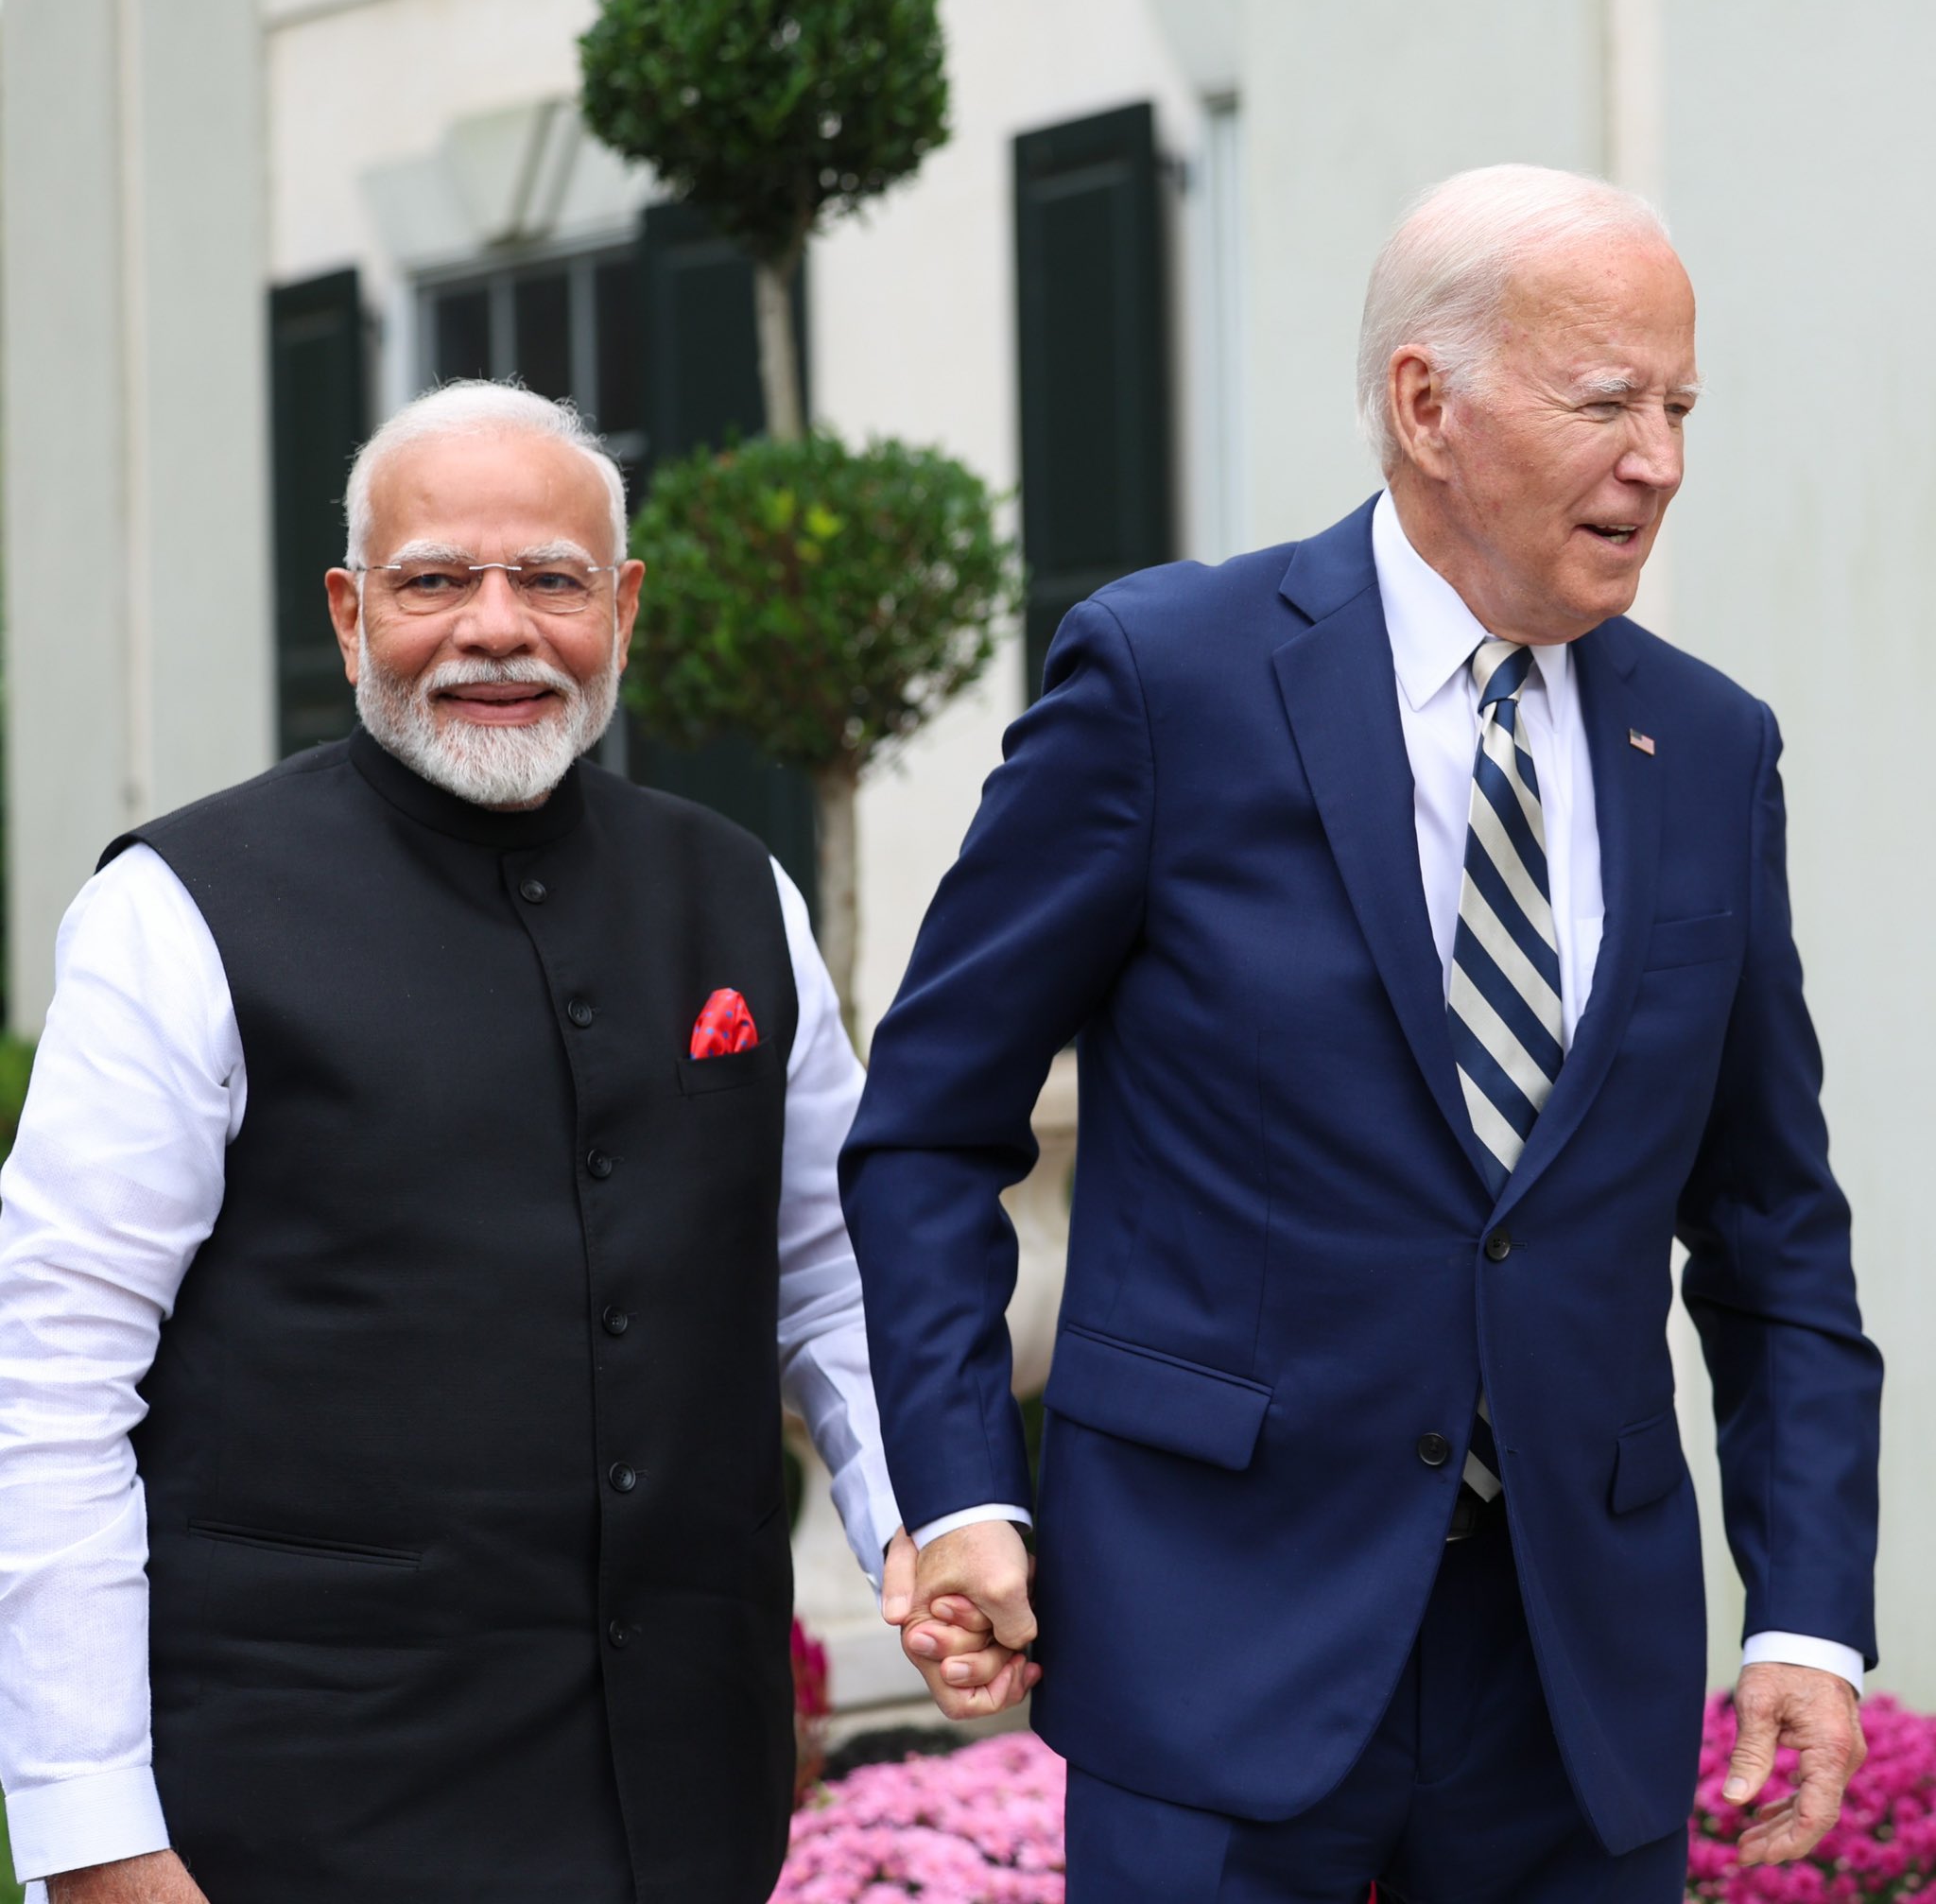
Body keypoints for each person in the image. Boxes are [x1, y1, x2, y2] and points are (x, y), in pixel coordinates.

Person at [842, 166, 1883, 1901]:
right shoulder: (1164, 680)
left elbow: (1775, 1230)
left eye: (1681, 407)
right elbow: (930, 1129)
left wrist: (1808, 1618)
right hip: (1210, 1636)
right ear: (1428, 403)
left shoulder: (1711, 749)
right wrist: (961, 1495)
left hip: (1573, 1673)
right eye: (1608, 401)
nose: (1662, 462)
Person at [0, 382, 901, 1903]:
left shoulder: (738, 892)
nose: (498, 627)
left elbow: (839, 1285)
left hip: (689, 1797)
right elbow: (49, 1382)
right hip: (305, 1814)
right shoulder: (176, 911)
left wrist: (922, 1540)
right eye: (436, 582)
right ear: (351, 616)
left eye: (550, 579)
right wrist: (92, 1828)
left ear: (619, 609)